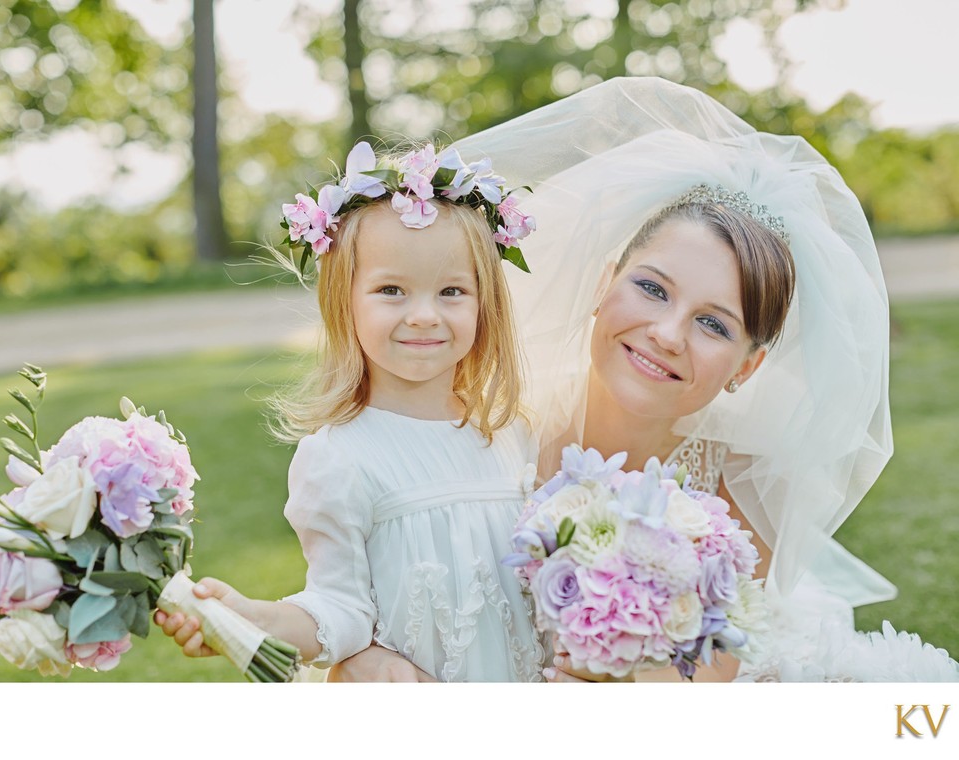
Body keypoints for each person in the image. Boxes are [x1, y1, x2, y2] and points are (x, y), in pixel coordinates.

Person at [331, 77, 957, 683]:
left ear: (747, 366)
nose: (667, 332)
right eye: (653, 288)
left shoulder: (739, 495)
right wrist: (357, 650)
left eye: (713, 324)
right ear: (604, 283)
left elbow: (706, 678)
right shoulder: (483, 430)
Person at [155, 141, 549, 682]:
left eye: (452, 291)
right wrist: (251, 618)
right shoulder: (339, 458)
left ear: (486, 304)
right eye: (391, 290)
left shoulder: (512, 434)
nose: (424, 315)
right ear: (345, 301)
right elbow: (340, 611)